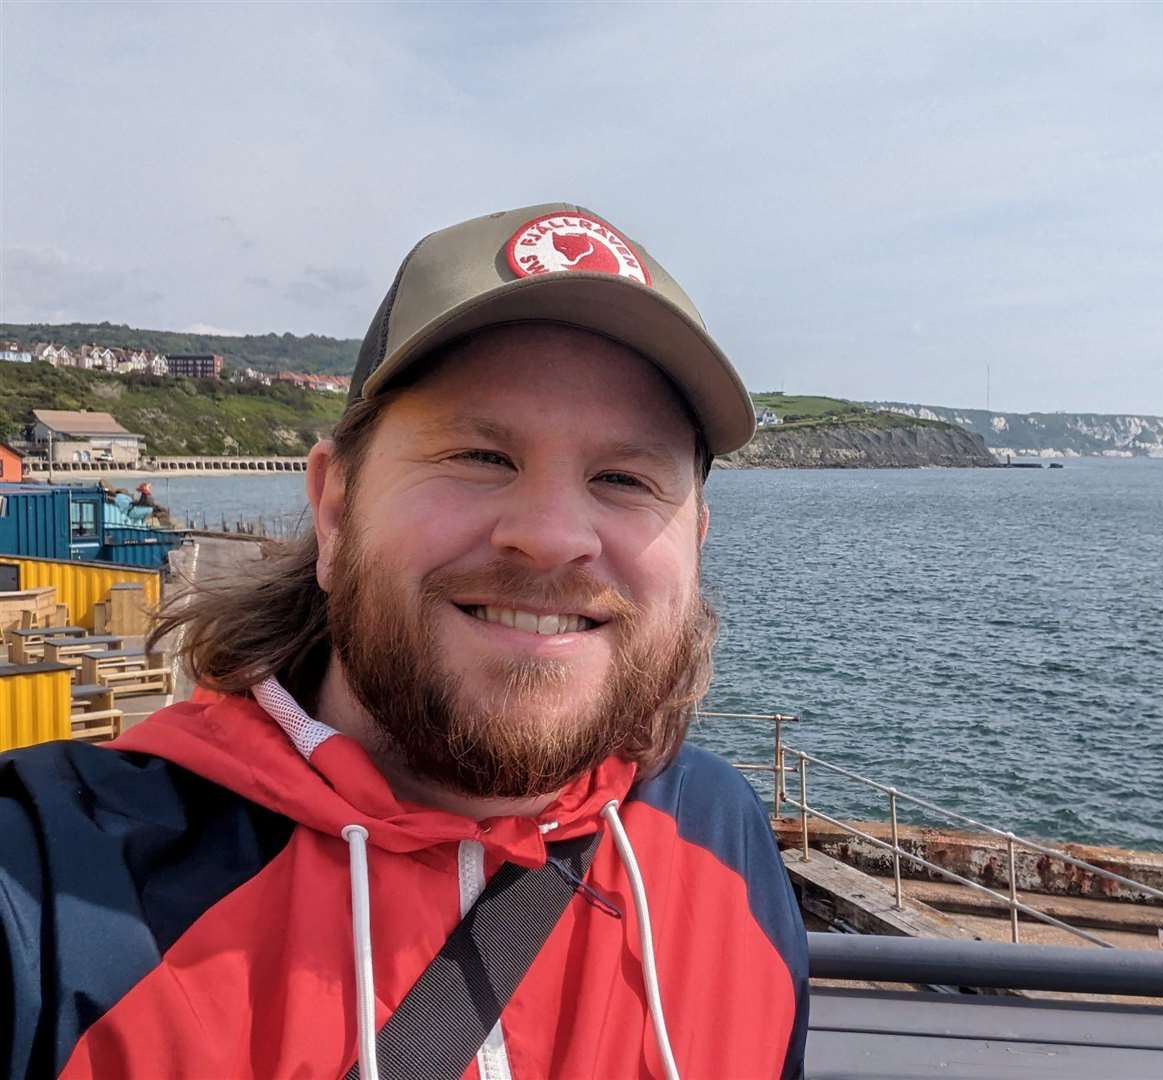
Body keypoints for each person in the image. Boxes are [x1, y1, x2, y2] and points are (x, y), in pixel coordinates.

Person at [0, 204, 808, 1079]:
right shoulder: (53, 891)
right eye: (479, 455)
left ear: (693, 544)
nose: (550, 535)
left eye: (625, 477)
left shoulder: (722, 836)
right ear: (337, 508)